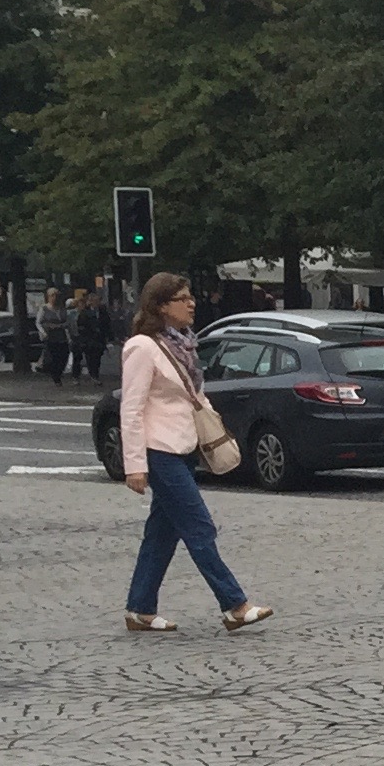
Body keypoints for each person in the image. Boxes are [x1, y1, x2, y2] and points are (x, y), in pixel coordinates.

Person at [117, 272, 273, 636]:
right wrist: (134, 466)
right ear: (161, 306)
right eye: (182, 298)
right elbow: (131, 408)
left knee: (162, 533)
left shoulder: (182, 344)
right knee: (198, 526)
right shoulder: (142, 347)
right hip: (160, 450)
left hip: (184, 445)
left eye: (190, 297)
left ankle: (140, 609)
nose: (192, 304)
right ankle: (234, 605)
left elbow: (193, 395)